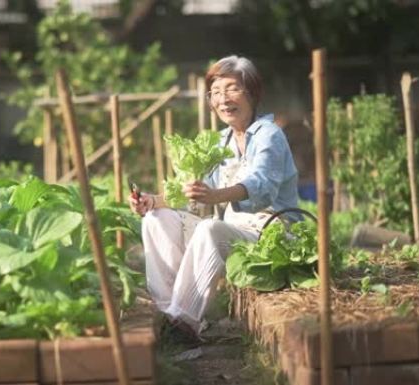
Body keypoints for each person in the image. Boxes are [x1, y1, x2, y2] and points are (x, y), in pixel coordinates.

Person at [128, 55, 299, 339]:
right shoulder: (223, 141)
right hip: (233, 232)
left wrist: (215, 195)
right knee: (156, 220)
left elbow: (261, 185)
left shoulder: (269, 135)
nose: (223, 99)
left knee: (209, 228)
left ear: (253, 93)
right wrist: (152, 201)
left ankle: (184, 320)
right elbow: (197, 193)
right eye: (216, 92)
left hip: (271, 233)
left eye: (232, 89)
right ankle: (167, 312)